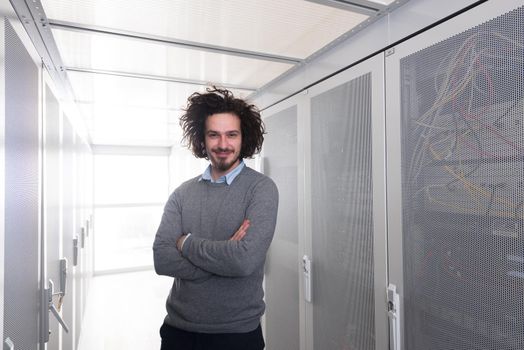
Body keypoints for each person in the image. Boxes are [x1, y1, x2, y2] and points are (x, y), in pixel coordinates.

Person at [153, 87, 279, 350]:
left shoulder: (261, 189)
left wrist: (186, 244)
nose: (223, 144)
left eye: (231, 134)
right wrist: (224, 258)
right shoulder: (182, 193)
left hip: (237, 335)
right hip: (179, 332)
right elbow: (162, 259)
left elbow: (243, 261)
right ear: (202, 139)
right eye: (214, 135)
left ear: (244, 138)